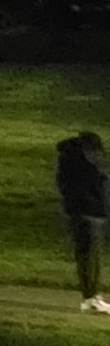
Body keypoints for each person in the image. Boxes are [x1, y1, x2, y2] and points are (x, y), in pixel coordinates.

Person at [62, 131, 108, 313]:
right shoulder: (83, 165)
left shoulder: (70, 161)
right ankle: (91, 297)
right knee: (90, 257)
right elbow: (98, 183)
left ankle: (92, 296)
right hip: (88, 213)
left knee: (90, 257)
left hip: (85, 212)